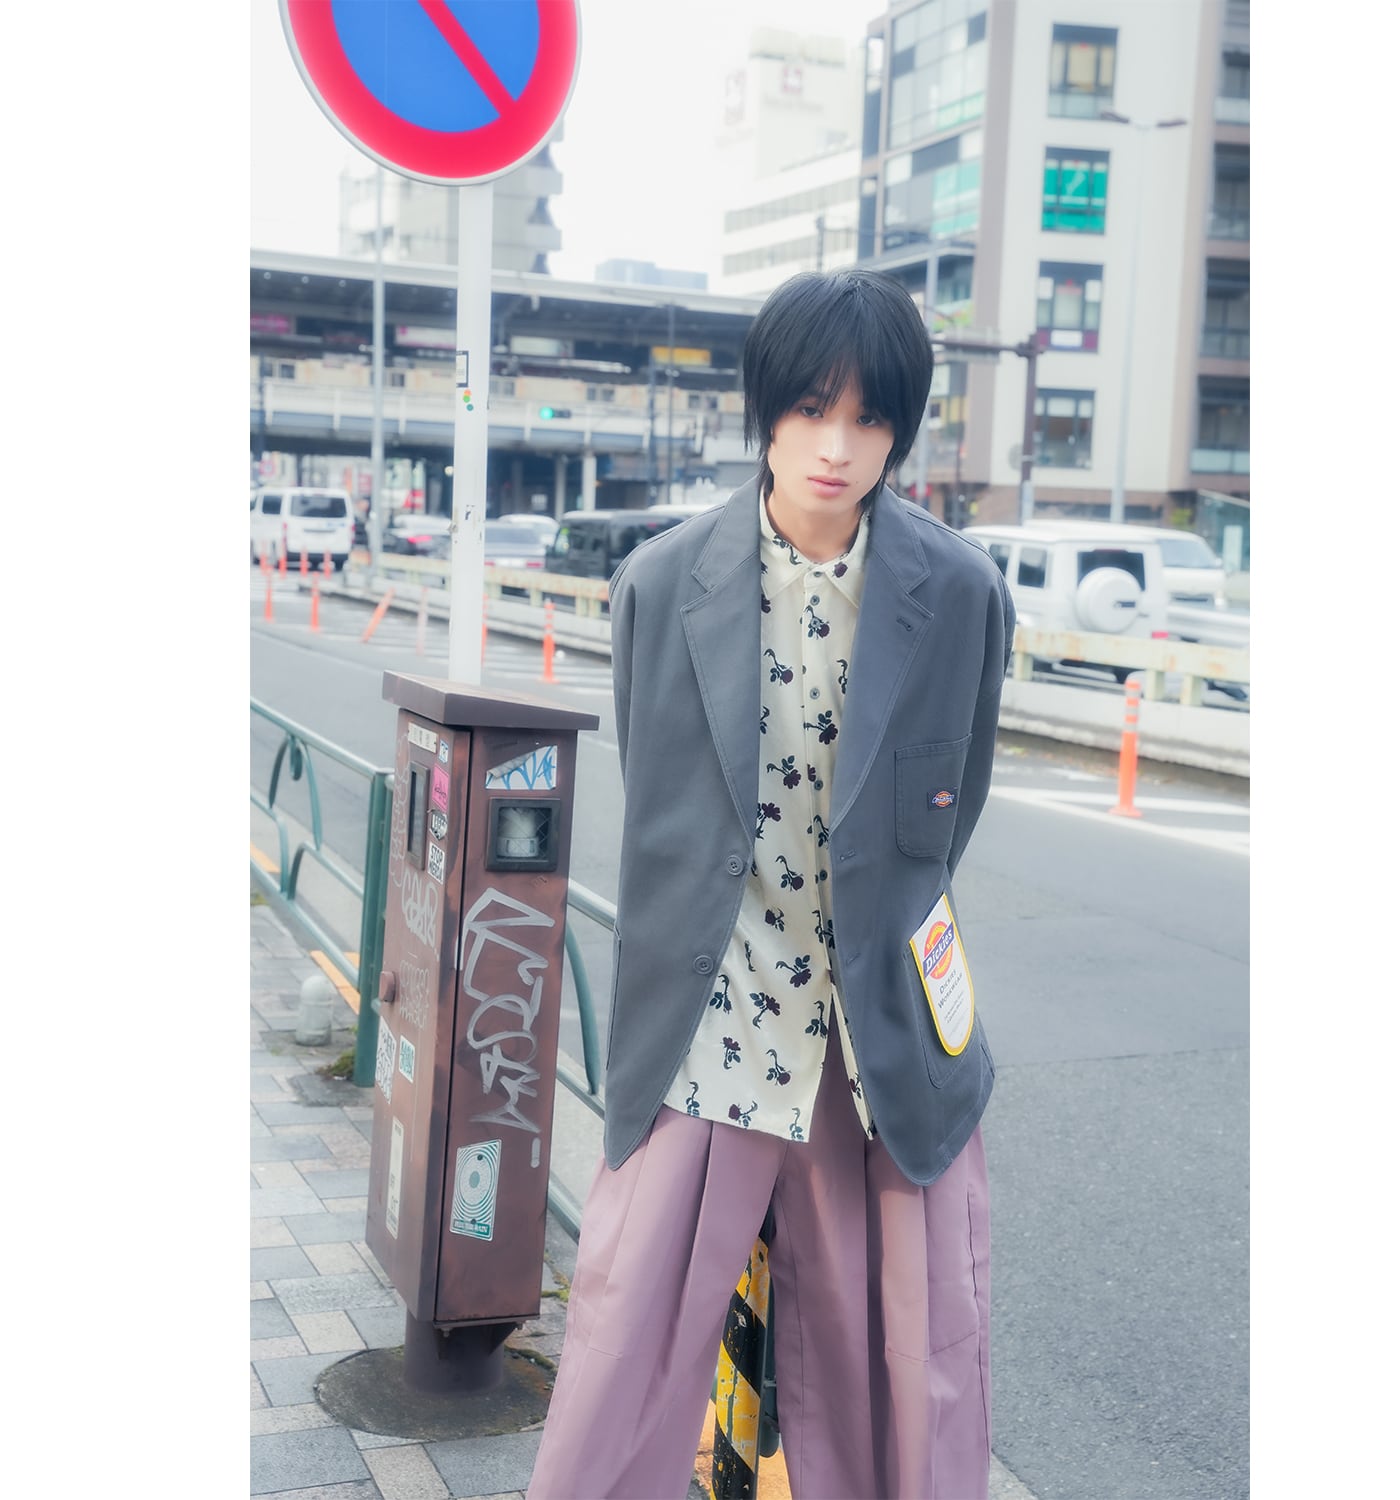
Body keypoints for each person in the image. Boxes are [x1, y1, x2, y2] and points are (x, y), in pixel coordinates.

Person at [527, 268, 1016, 1500]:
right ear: (767, 410)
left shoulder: (960, 594)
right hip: (710, 1022)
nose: (836, 448)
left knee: (899, 1371)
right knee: (623, 1352)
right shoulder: (662, 582)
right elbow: (668, 813)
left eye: (869, 417)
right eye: (809, 409)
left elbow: (948, 821)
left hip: (876, 1038)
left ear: (901, 428)